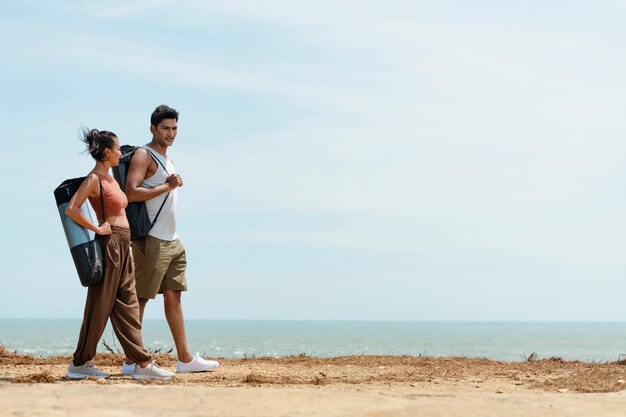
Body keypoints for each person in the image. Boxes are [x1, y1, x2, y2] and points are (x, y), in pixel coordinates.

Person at [65, 128, 175, 380]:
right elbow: (73, 209)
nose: (120, 151)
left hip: (124, 245)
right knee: (101, 304)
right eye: (116, 148)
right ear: (106, 152)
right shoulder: (94, 179)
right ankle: (80, 363)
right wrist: (97, 228)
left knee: (129, 302)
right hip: (110, 242)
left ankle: (141, 364)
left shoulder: (112, 179)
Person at [123, 105, 218, 374]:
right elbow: (131, 192)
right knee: (140, 299)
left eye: (174, 128)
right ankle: (132, 361)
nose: (171, 133)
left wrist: (168, 183)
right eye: (165, 128)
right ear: (153, 128)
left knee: (174, 297)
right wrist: (168, 185)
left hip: (172, 240)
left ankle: (185, 359)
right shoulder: (144, 154)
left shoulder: (167, 158)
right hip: (152, 240)